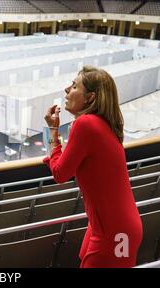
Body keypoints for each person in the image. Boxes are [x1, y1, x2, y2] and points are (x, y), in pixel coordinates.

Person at [42, 66, 142, 268]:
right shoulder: (101, 124)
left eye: (74, 86)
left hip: (114, 232)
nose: (66, 90)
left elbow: (60, 173)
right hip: (112, 226)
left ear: (90, 98)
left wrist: (53, 131)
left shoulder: (85, 124)